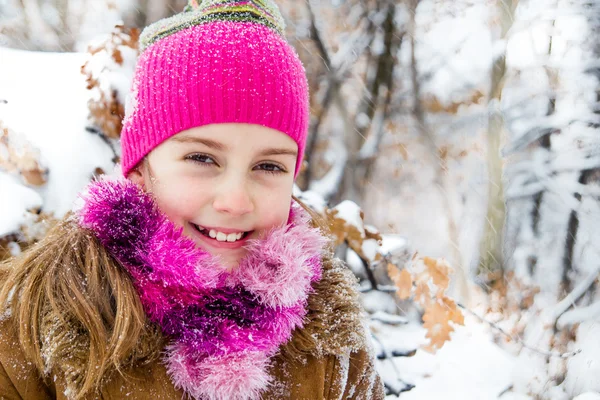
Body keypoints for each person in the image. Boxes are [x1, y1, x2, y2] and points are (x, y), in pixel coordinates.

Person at [0, 1, 385, 399]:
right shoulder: (34, 320)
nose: (235, 201)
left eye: (268, 166)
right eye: (202, 158)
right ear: (139, 168)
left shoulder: (330, 341)